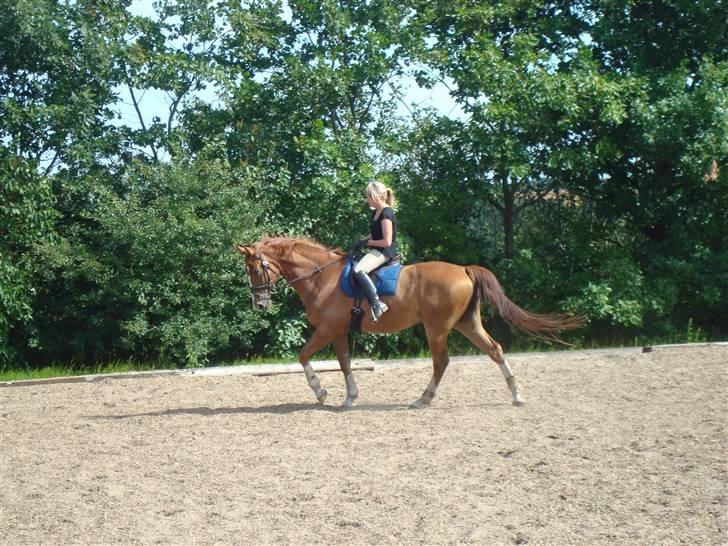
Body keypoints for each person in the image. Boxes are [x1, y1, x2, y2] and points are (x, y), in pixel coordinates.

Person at [353, 181, 398, 321]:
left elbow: (386, 241)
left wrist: (368, 242)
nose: (366, 199)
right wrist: (362, 240)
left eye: (368, 196)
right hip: (376, 249)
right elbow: (376, 233)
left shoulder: (386, 214)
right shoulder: (376, 212)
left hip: (385, 252)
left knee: (358, 269)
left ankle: (377, 304)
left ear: (376, 196)